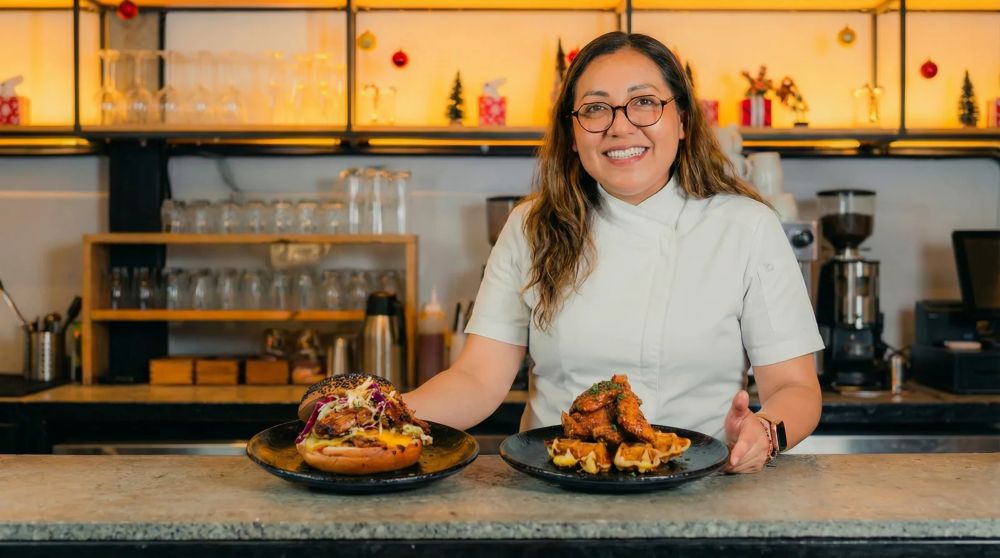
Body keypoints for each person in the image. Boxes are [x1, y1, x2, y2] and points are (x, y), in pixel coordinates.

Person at [403, 32, 824, 474]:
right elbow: (477, 380)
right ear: (572, 132)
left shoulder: (747, 226)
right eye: (595, 108)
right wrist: (376, 415)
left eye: (644, 102)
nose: (620, 126)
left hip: (702, 494)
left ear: (682, 120)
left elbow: (796, 387)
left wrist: (766, 431)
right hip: (558, 494)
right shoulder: (532, 226)